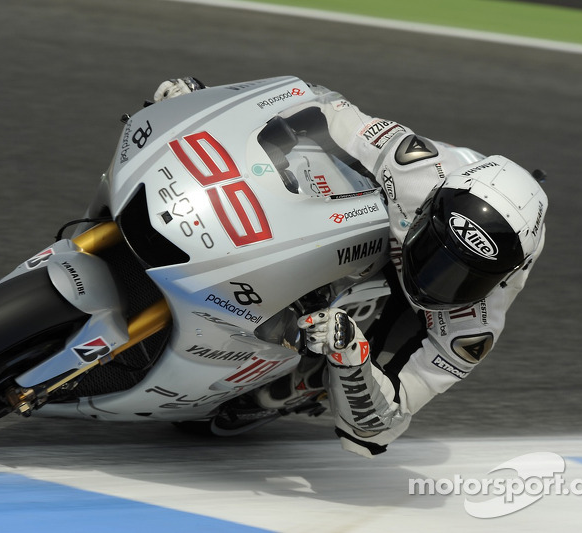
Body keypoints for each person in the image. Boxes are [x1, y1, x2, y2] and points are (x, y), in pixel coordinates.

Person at [153, 77, 548, 457]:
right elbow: (319, 104)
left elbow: (379, 428)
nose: (433, 281)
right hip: (394, 198)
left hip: (400, 311)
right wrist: (203, 107)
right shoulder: (413, 168)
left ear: (504, 278)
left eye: (465, 277)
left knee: (362, 426)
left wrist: (353, 358)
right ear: (427, 209)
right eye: (435, 252)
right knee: (301, 152)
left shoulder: (473, 329)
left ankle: (302, 383)